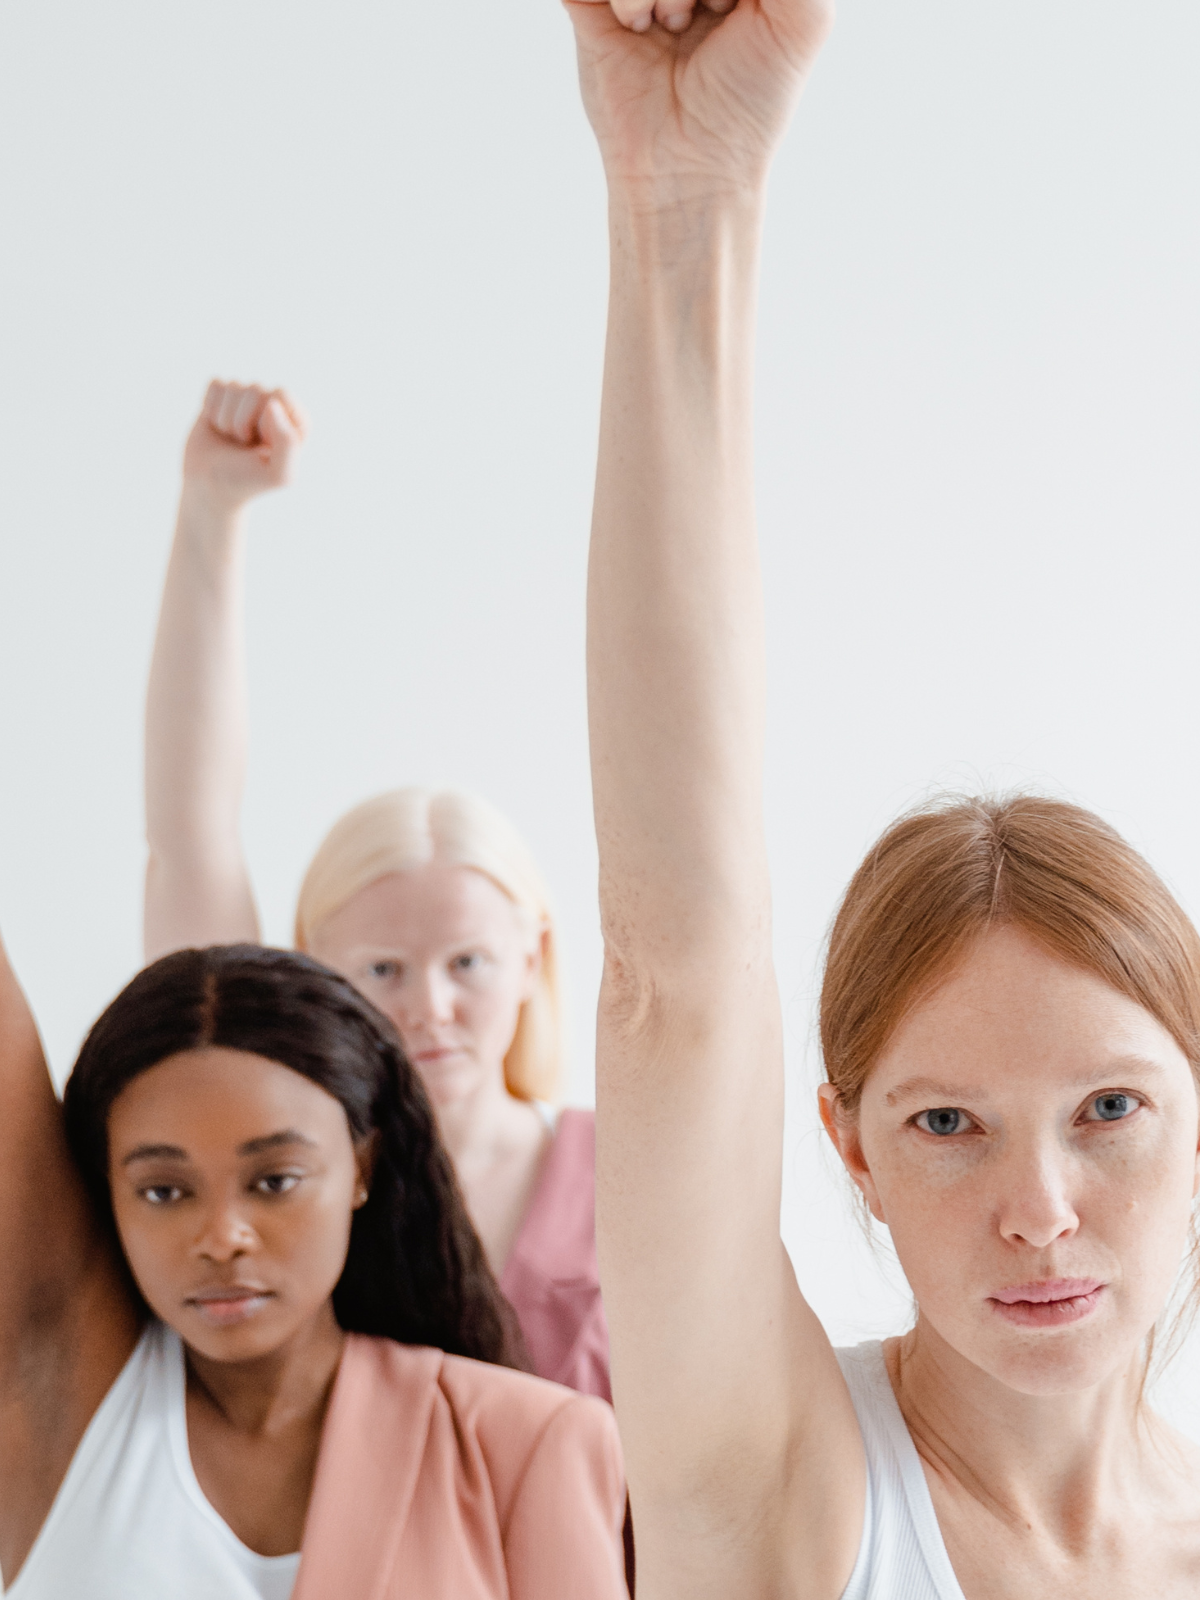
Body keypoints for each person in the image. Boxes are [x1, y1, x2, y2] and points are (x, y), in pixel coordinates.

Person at [566, 1, 1200, 1597]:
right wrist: (683, 211)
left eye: (1111, 1110)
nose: (1041, 1211)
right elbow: (678, 973)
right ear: (849, 1148)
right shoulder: (788, 1491)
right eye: (946, 1126)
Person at [144, 380, 609, 1402]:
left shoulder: (624, 1173)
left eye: (469, 963)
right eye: (383, 967)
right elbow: (191, 840)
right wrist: (212, 515)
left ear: (533, 957)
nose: (427, 1006)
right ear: (319, 971)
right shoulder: (290, 1170)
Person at [0, 937, 627, 1597]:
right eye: (164, 1190)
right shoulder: (66, 1406)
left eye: (274, 1180)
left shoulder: (527, 1442)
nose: (223, 1238)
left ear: (361, 1167)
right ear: (110, 1191)